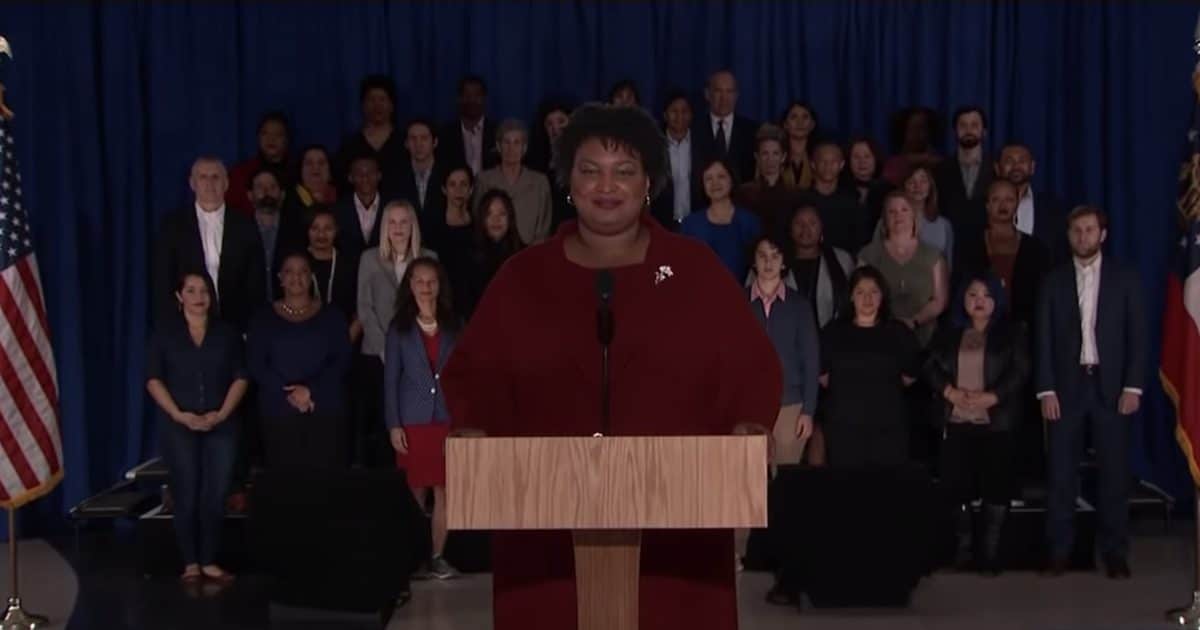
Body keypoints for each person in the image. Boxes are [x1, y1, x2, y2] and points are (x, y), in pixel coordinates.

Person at [441, 103, 781, 630]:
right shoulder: (522, 277)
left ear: (650, 182)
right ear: (568, 181)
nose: (607, 184)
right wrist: (475, 428)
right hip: (545, 539)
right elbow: (474, 374)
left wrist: (749, 425)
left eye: (624, 171)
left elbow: (752, 367)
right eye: (590, 169)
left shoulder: (692, 270)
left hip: (678, 536)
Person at [1036, 206, 1146, 579]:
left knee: (1114, 474)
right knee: (1061, 473)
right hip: (1066, 389)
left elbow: (1138, 337)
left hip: (1112, 387)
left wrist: (1133, 385)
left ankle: (1114, 551)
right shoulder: (1053, 281)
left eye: (1089, 230)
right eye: (1076, 231)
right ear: (1068, 236)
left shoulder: (1125, 279)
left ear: (1103, 234)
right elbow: (1044, 339)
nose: (1083, 237)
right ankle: (1060, 551)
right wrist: (1046, 390)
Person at [146, 272, 248, 585]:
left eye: (204, 290)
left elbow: (241, 377)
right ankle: (190, 561)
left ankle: (208, 559)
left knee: (215, 494)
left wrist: (221, 414)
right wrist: (179, 415)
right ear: (179, 297)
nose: (199, 296)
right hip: (180, 425)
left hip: (221, 423)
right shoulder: (165, 334)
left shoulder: (227, 333)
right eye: (191, 290)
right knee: (186, 492)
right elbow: (153, 379)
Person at [925, 272, 1030, 575]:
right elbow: (930, 366)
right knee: (958, 488)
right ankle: (963, 550)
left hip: (996, 422)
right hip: (957, 421)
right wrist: (949, 392)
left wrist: (993, 397)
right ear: (962, 300)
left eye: (985, 295)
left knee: (996, 488)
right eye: (972, 294)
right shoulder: (948, 332)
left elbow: (1020, 370)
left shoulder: (1013, 331)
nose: (979, 300)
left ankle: (990, 553)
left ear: (996, 299)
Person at [384, 258, 462, 580]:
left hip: (446, 420)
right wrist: (393, 424)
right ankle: (415, 558)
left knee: (446, 490)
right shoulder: (399, 327)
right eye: (419, 281)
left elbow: (466, 374)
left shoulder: (456, 324)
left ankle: (437, 556)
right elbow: (390, 380)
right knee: (414, 492)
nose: (426, 287)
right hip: (412, 422)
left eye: (431, 281)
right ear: (410, 285)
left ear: (439, 285)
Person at [246, 253, 352, 469]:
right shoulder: (263, 318)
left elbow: (342, 360)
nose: (296, 277)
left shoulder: (332, 315)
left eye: (303, 271)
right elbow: (256, 363)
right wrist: (291, 393)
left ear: (311, 276)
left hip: (323, 408)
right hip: (278, 409)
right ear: (280, 278)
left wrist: (311, 390)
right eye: (289, 272)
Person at [356, 200, 438, 467]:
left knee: (415, 421)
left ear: (413, 225)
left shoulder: (429, 258)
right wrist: (385, 349)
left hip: (417, 354)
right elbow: (364, 308)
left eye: (404, 222)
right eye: (392, 222)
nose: (398, 228)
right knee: (383, 424)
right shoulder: (369, 259)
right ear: (384, 227)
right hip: (376, 354)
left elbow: (433, 304)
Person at [818, 266, 921, 468]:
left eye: (873, 292)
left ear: (882, 296)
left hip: (889, 429)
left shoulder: (898, 332)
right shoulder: (833, 332)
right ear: (850, 296)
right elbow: (822, 377)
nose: (867, 299)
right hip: (844, 428)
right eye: (860, 292)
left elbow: (910, 376)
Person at [152, 157, 266, 335]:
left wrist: (249, 329)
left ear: (226, 183)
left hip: (235, 329)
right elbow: (163, 280)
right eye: (203, 177)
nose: (209, 183)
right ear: (192, 183)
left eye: (215, 177)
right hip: (186, 330)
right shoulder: (173, 225)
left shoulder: (245, 225)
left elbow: (255, 283)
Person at [955, 180, 1051, 329]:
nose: (1003, 205)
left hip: (1024, 331)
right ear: (987, 205)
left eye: (1009, 199)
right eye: (996, 199)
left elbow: (1043, 296)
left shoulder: (1035, 248)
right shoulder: (969, 245)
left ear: (1018, 203)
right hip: (978, 329)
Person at [859, 191, 949, 348]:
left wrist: (914, 321)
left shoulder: (933, 255)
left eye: (904, 210)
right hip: (879, 338)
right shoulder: (868, 255)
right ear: (884, 218)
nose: (898, 215)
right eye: (892, 211)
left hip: (925, 341)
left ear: (914, 215)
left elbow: (940, 301)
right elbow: (859, 295)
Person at [680, 158, 762, 279]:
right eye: (709, 179)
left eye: (721, 176)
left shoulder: (750, 222)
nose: (715, 183)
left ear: (731, 179)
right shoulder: (690, 224)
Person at [474, 119, 553, 245]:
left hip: (530, 254)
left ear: (524, 148)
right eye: (507, 142)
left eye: (517, 142)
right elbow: (478, 219)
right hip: (492, 253)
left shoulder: (540, 182)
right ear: (499, 146)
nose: (511, 148)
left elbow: (544, 226)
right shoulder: (484, 180)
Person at [995, 142, 1068, 262]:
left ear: (1032, 167)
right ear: (997, 168)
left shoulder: (1054, 209)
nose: (1016, 166)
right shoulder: (981, 208)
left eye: (1022, 161)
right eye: (1009, 161)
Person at [335, 75, 406, 195]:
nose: (377, 105)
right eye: (371, 99)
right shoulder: (350, 144)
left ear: (392, 105)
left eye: (382, 99)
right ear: (363, 105)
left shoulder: (405, 142)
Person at [872, 164, 955, 267]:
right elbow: (874, 258)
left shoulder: (943, 225)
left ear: (930, 186)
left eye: (923, 181)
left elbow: (948, 265)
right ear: (903, 186)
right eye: (911, 181)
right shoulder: (886, 222)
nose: (917, 186)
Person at [786, 205, 854, 329]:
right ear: (790, 228)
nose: (805, 228)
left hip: (835, 337)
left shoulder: (842, 260)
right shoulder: (774, 261)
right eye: (799, 223)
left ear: (821, 227)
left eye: (812, 223)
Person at [734, 124, 807, 239]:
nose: (770, 159)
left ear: (783, 157)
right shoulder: (744, 193)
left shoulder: (796, 194)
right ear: (757, 157)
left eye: (775, 153)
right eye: (765, 153)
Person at [461, 189, 524, 317]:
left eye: (502, 214)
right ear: (482, 218)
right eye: (489, 214)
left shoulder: (524, 255)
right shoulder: (468, 256)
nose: (496, 219)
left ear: (510, 217)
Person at [935, 107, 993, 244]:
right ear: (955, 131)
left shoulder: (996, 168)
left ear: (984, 132)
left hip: (987, 244)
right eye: (963, 125)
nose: (968, 130)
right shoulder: (940, 169)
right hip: (950, 243)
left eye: (974, 125)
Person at [423, 167, 477, 314]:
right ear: (444, 189)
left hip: (474, 303)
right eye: (452, 184)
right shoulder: (432, 227)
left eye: (463, 184)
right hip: (441, 304)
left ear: (471, 189)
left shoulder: (479, 225)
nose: (458, 190)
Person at [304, 206, 360, 341]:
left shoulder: (350, 265)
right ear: (307, 231)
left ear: (336, 230)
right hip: (304, 340)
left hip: (344, 339)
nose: (321, 235)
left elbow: (361, 309)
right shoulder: (297, 264)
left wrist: (346, 341)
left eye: (327, 228)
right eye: (315, 228)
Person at [692, 69, 757, 184]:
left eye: (729, 91)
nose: (724, 98)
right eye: (718, 91)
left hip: (742, 200)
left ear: (736, 95)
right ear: (707, 94)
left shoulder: (752, 131)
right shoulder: (693, 130)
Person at [806, 141, 868, 253]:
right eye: (823, 161)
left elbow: (860, 241)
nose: (828, 166)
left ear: (842, 165)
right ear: (813, 164)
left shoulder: (852, 202)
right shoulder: (802, 201)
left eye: (833, 161)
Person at [227, 111, 292, 216]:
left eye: (278, 134)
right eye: (265, 133)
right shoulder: (239, 174)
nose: (271, 139)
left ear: (287, 139)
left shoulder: (296, 172)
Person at [650, 89, 695, 229]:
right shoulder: (654, 146)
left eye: (684, 111)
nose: (679, 116)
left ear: (691, 115)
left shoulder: (702, 143)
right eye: (674, 111)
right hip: (662, 222)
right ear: (665, 115)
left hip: (696, 220)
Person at [437, 75, 499, 175]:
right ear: (458, 99)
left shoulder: (498, 132)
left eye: (477, 95)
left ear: (484, 98)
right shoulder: (445, 133)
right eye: (466, 95)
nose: (472, 100)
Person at [334, 154, 387, 269]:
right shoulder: (337, 210)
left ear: (379, 175)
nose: (365, 177)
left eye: (370, 173)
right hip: (347, 276)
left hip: (384, 274)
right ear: (350, 177)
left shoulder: (392, 208)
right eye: (359, 173)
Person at [396, 118, 448, 224]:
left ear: (435, 142)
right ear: (406, 143)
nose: (418, 144)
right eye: (413, 138)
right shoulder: (396, 177)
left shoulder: (447, 174)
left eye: (424, 138)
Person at [841, 136, 893, 235]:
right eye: (856, 157)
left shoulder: (889, 191)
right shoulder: (840, 189)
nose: (862, 162)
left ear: (875, 159)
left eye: (867, 156)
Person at [882, 107, 943, 185]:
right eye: (914, 129)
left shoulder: (939, 164)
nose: (920, 134)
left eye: (923, 128)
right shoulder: (893, 166)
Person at [780, 101, 818, 190]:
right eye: (793, 117)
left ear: (812, 125)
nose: (800, 122)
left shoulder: (820, 156)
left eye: (805, 117)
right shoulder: (774, 155)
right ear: (785, 124)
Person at [294, 145, 338, 211]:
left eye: (321, 163)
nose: (316, 168)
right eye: (309, 163)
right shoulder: (290, 202)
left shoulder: (342, 201)